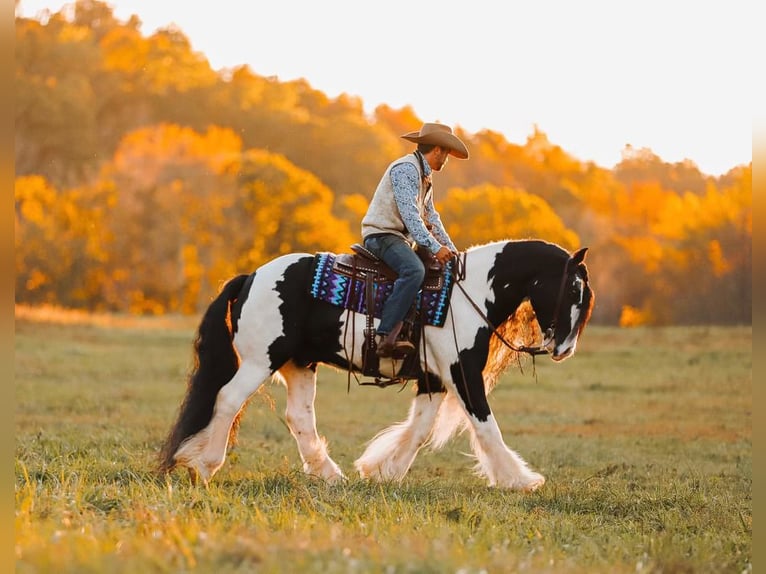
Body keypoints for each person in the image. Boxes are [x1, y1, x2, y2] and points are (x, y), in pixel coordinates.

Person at [361, 122, 469, 358]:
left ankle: (411, 330)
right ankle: (385, 335)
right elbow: (411, 217)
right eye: (447, 154)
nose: (447, 160)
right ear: (438, 150)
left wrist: (452, 251)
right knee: (414, 270)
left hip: (398, 238)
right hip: (382, 235)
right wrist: (435, 247)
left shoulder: (424, 175)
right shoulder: (406, 169)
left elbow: (432, 216)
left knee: (434, 270)